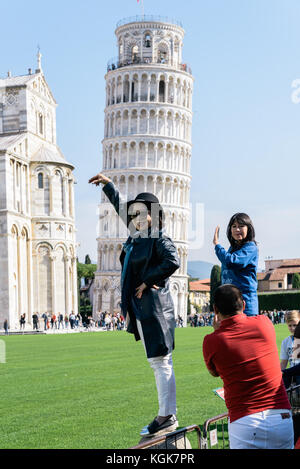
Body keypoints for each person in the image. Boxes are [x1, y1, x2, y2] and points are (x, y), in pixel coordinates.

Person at [89, 172, 180, 437]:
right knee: (159, 362)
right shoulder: (138, 237)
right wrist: (109, 186)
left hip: (155, 308)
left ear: (154, 214)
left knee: (161, 361)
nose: (137, 217)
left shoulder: (157, 238)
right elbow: (121, 209)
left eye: (143, 213)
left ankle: (166, 415)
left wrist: (147, 281)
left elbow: (172, 261)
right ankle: (167, 413)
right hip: (144, 308)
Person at [202, 284, 294, 449]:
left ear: (215, 309)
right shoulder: (264, 323)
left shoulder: (211, 341)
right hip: (280, 416)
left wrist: (217, 332)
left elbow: (214, 372)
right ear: (243, 305)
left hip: (244, 420)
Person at [213, 213, 258, 316]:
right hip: (229, 303)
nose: (237, 229)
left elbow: (232, 262)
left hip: (245, 305)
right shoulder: (232, 249)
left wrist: (217, 245)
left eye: (241, 226)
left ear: (249, 228)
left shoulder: (250, 248)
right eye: (234, 226)